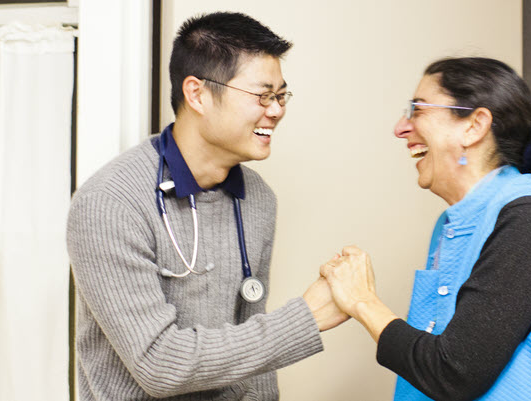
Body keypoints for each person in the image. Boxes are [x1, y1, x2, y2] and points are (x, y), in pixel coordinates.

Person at [66, 12, 346, 400]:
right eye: (262, 95)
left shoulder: (258, 198)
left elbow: (254, 349)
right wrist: (305, 319)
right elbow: (158, 364)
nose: (277, 110)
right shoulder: (111, 203)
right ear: (197, 94)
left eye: (281, 96)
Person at [319, 57, 531, 400]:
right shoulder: (452, 224)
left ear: (474, 126)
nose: (401, 127)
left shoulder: (529, 220)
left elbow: (455, 373)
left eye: (417, 109)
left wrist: (361, 302)